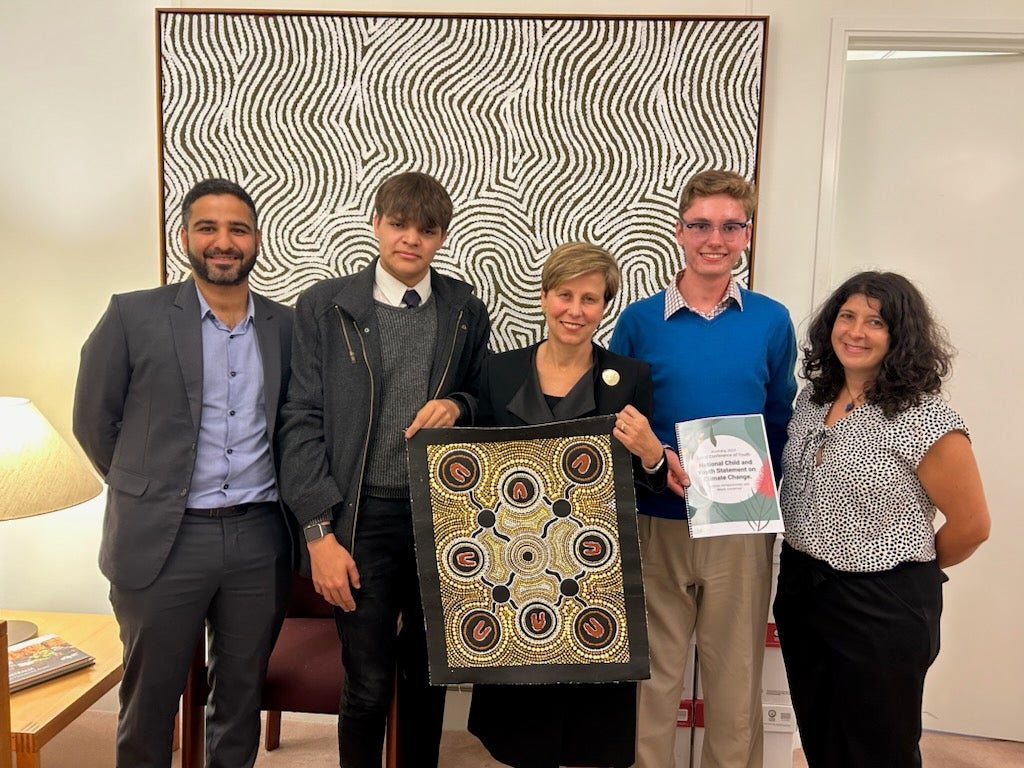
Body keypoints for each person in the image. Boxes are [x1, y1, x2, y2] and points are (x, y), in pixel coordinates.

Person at [73, 178, 294, 767]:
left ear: (255, 240)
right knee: (149, 702)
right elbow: (95, 421)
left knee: (241, 697)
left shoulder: (286, 327)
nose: (223, 242)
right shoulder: (132, 315)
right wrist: (146, 488)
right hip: (163, 539)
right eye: (208, 228)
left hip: (259, 538)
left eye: (237, 229)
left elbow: (297, 428)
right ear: (185, 238)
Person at [276, 171, 490, 767]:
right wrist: (318, 530)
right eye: (398, 225)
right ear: (376, 226)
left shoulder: (465, 310)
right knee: (367, 681)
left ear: (442, 238)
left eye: (426, 230)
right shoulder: (325, 305)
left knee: (428, 677)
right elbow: (300, 420)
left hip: (440, 518)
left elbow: (483, 398)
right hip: (359, 515)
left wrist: (460, 405)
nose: (410, 240)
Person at [466, 241, 685, 768]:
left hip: (593, 571)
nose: (575, 310)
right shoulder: (498, 372)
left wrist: (654, 455)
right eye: (565, 294)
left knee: (592, 726)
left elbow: (647, 483)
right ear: (544, 297)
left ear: (604, 306)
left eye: (590, 299)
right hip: (515, 571)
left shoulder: (629, 377)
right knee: (523, 725)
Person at [609, 169, 797, 768]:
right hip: (657, 519)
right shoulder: (639, 321)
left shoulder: (771, 320)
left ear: (746, 233)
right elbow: (623, 415)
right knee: (654, 678)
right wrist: (656, 457)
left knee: (735, 680)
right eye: (701, 225)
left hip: (740, 525)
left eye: (729, 226)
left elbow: (778, 416)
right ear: (680, 231)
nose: (714, 238)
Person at [773, 271, 990, 767]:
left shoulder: (924, 417)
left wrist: (914, 571)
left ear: (900, 336)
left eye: (875, 322)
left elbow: (973, 524)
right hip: (805, 589)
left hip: (881, 603)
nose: (856, 331)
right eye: (847, 316)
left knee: (879, 748)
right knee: (823, 734)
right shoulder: (813, 400)